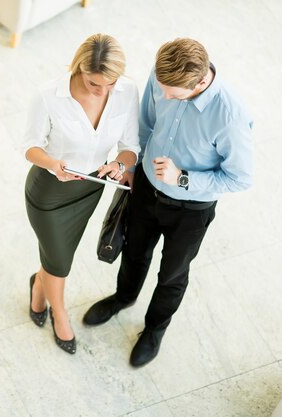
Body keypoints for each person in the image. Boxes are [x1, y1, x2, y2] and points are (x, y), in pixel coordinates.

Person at [83, 38, 253, 367]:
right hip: (146, 187)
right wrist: (132, 167)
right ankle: (123, 298)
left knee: (172, 275)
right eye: (160, 88)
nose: (162, 96)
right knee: (133, 252)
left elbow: (240, 177)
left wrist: (184, 177)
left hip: (191, 211)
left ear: (201, 82)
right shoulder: (163, 76)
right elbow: (146, 124)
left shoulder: (230, 117)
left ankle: (154, 329)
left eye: (172, 94)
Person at [22, 33, 140, 354]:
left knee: (56, 256)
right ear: (79, 69)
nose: (103, 91)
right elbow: (30, 147)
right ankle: (60, 314)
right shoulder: (48, 96)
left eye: (110, 84)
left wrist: (118, 162)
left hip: (90, 190)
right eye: (94, 84)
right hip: (49, 192)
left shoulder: (127, 92)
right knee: (60, 261)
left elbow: (131, 147)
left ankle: (39, 285)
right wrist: (52, 162)